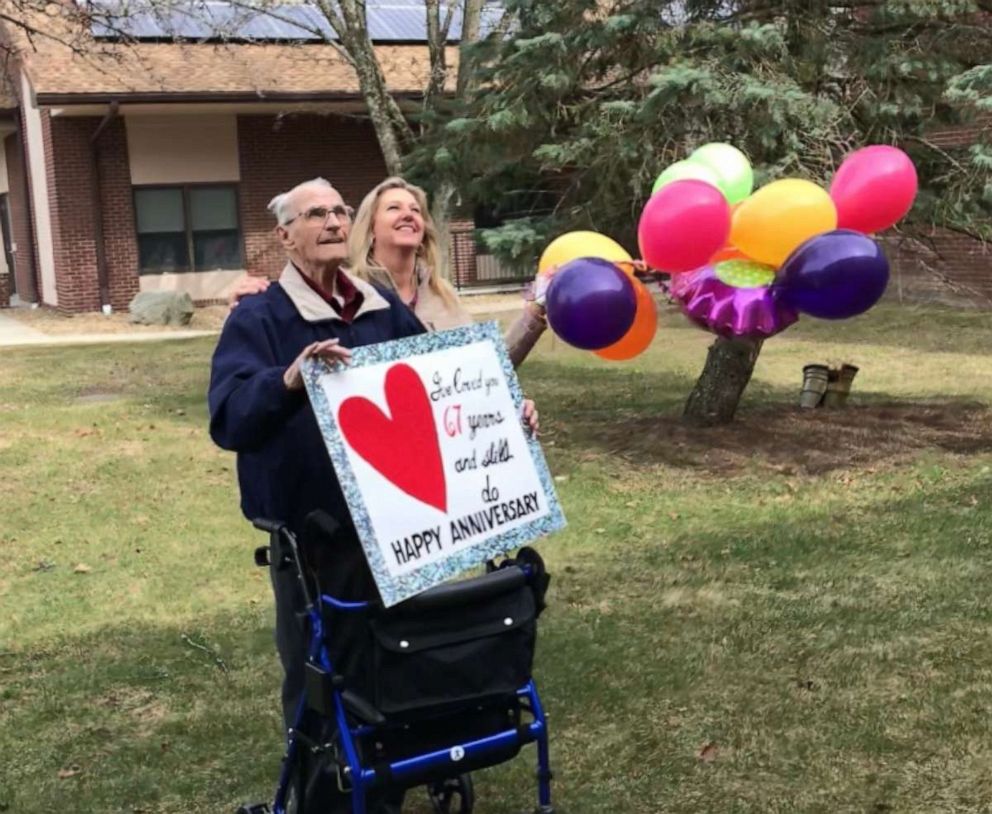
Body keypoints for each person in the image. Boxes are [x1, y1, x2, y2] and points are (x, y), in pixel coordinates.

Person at [208, 177, 426, 813]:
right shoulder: (261, 317)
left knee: (393, 663)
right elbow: (229, 419)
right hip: (312, 540)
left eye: (339, 211)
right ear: (285, 236)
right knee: (317, 678)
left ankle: (384, 792)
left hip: (394, 525)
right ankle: (319, 801)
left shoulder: (383, 308)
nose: (333, 222)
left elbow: (442, 379)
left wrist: (504, 408)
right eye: (315, 214)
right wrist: (288, 380)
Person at [229, 177, 549, 369]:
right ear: (369, 228)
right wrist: (252, 303)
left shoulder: (444, 295)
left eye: (416, 210)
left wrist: (535, 313)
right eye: (395, 208)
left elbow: (475, 373)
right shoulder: (353, 297)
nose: (408, 215)